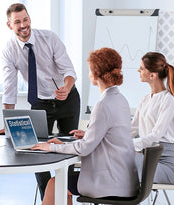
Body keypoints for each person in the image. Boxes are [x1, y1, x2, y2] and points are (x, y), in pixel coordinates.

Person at [0, 3, 81, 199]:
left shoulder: (49, 38)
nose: (23, 25)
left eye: (25, 19)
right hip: (40, 103)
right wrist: (8, 122)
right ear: (9, 25)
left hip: (67, 98)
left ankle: (65, 198)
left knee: (68, 149)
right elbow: (10, 89)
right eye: (17, 22)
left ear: (29, 19)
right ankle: (46, 199)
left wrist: (66, 87)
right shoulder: (9, 50)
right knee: (35, 152)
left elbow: (69, 70)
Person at [31, 47, 139, 205]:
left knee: (54, 184)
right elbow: (110, 135)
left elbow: (84, 149)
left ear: (95, 75)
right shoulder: (121, 99)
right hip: (125, 180)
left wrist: (52, 147)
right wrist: (88, 135)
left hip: (109, 184)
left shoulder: (103, 104)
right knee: (61, 183)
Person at [131, 52, 174, 184]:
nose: (138, 70)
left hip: (168, 166)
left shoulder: (168, 100)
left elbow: (155, 136)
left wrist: (127, 145)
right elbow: (132, 129)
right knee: (116, 159)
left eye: (142, 68)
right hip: (149, 158)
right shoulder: (144, 100)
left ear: (152, 75)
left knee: (123, 160)